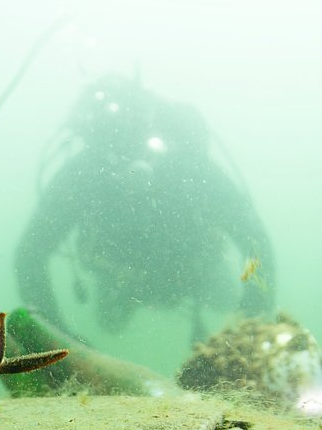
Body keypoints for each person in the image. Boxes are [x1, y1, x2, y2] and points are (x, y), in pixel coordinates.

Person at [15, 74, 275, 341]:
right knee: (109, 323)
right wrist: (61, 340)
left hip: (194, 274)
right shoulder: (86, 174)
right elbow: (30, 255)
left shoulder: (188, 167)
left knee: (225, 297)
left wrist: (251, 315)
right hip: (126, 281)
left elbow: (254, 247)